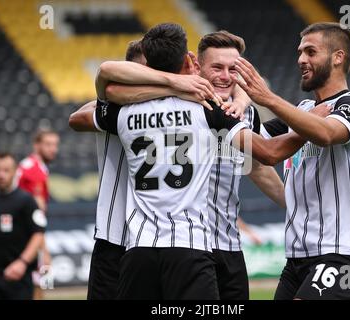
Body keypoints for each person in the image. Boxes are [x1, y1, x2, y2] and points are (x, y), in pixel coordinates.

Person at [97, 30, 286, 299]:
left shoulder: (243, 112)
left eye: (233, 69)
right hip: (187, 245)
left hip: (225, 245)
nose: (225, 76)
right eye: (217, 67)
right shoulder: (202, 107)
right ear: (195, 64)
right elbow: (98, 99)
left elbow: (255, 166)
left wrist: (293, 205)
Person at [233, 22, 350, 300]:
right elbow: (256, 147)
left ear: (338, 57)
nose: (301, 60)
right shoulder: (302, 110)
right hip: (297, 257)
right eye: (300, 52)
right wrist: (239, 96)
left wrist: (269, 99)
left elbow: (324, 133)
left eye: (310, 52)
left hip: (341, 254)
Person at [70, 39, 146, 300]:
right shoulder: (114, 109)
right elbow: (77, 118)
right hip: (114, 238)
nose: (145, 77)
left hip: (154, 242)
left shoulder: (174, 107)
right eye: (138, 71)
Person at [0, 152, 45, 300]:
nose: (1, 175)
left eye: (6, 170)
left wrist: (22, 262)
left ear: (15, 171)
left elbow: (38, 234)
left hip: (19, 280)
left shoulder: (26, 201)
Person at [16, 128, 59, 299]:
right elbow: (38, 214)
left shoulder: (27, 165)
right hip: (26, 236)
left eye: (55, 145)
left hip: (17, 233)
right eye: (48, 144)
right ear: (36, 146)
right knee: (41, 281)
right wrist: (44, 249)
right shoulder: (36, 172)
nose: (53, 149)